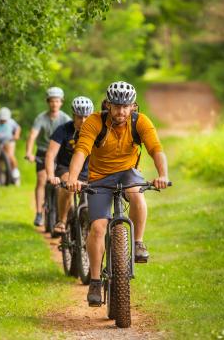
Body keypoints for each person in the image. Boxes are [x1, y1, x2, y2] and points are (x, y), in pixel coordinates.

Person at [66, 81, 169, 306]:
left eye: (126, 106)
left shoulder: (140, 121)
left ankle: (139, 242)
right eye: (116, 106)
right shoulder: (94, 121)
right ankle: (94, 282)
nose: (121, 111)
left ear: (133, 106)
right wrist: (73, 179)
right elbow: (82, 150)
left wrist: (162, 174)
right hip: (99, 177)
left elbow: (155, 148)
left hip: (128, 173)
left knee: (137, 195)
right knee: (98, 227)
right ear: (108, 105)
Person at [45, 96, 94, 234]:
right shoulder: (63, 130)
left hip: (90, 170)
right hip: (65, 168)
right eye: (79, 117)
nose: (83, 121)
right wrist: (50, 175)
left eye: (86, 117)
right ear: (73, 116)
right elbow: (50, 155)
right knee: (67, 186)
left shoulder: (96, 131)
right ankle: (62, 221)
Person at [25, 87, 71, 227]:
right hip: (43, 152)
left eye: (57, 101)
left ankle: (61, 212)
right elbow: (33, 135)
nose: (54, 104)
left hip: (59, 153)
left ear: (61, 102)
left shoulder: (66, 119)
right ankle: (39, 213)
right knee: (41, 179)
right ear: (48, 102)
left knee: (62, 183)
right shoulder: (41, 118)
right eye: (51, 101)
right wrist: (29, 152)